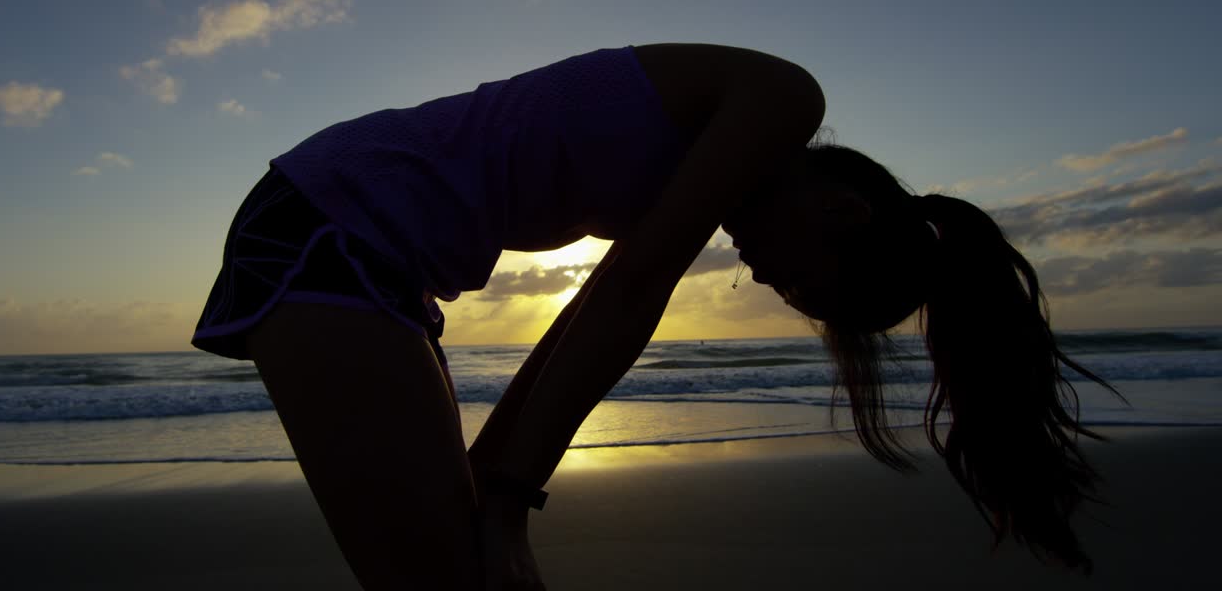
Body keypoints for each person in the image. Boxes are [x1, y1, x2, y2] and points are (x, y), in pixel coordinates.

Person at [191, 43, 1116, 589]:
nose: (767, 283)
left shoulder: (697, 178)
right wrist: (508, 509)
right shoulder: (783, 101)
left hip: (373, 255)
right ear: (843, 212)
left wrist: (491, 491)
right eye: (802, 286)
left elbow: (584, 318)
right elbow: (632, 295)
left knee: (462, 566)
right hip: (335, 223)